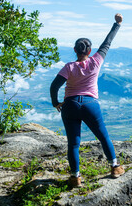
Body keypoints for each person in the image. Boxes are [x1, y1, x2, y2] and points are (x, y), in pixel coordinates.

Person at [50, 14, 124, 188]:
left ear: (75, 50)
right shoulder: (96, 61)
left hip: (70, 105)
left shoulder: (69, 67)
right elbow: (107, 43)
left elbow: (54, 86)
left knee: (73, 143)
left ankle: (75, 177)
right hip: (90, 104)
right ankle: (114, 167)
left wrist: (56, 102)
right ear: (90, 51)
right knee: (103, 136)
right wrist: (117, 24)